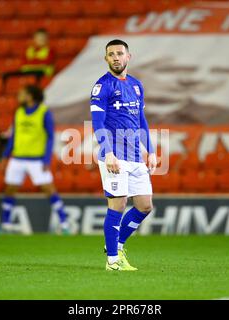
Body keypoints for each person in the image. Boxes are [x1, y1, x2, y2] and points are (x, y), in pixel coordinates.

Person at [90, 39, 157, 271]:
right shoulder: (102, 86)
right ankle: (112, 261)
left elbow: (141, 121)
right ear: (106, 59)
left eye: (120, 53)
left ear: (129, 57)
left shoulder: (137, 85)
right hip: (115, 157)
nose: (116, 57)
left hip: (137, 156)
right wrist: (108, 153)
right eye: (111, 54)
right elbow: (97, 122)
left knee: (144, 206)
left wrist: (150, 150)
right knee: (117, 207)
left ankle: (116, 246)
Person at [0, 85, 69, 234]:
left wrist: (46, 160)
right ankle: (5, 224)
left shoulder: (44, 112)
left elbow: (50, 137)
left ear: (31, 96)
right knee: (10, 189)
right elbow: (14, 136)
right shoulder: (18, 112)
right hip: (17, 159)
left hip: (36, 160)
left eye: (22, 93)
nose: (19, 96)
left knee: (48, 189)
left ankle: (64, 223)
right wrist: (5, 156)